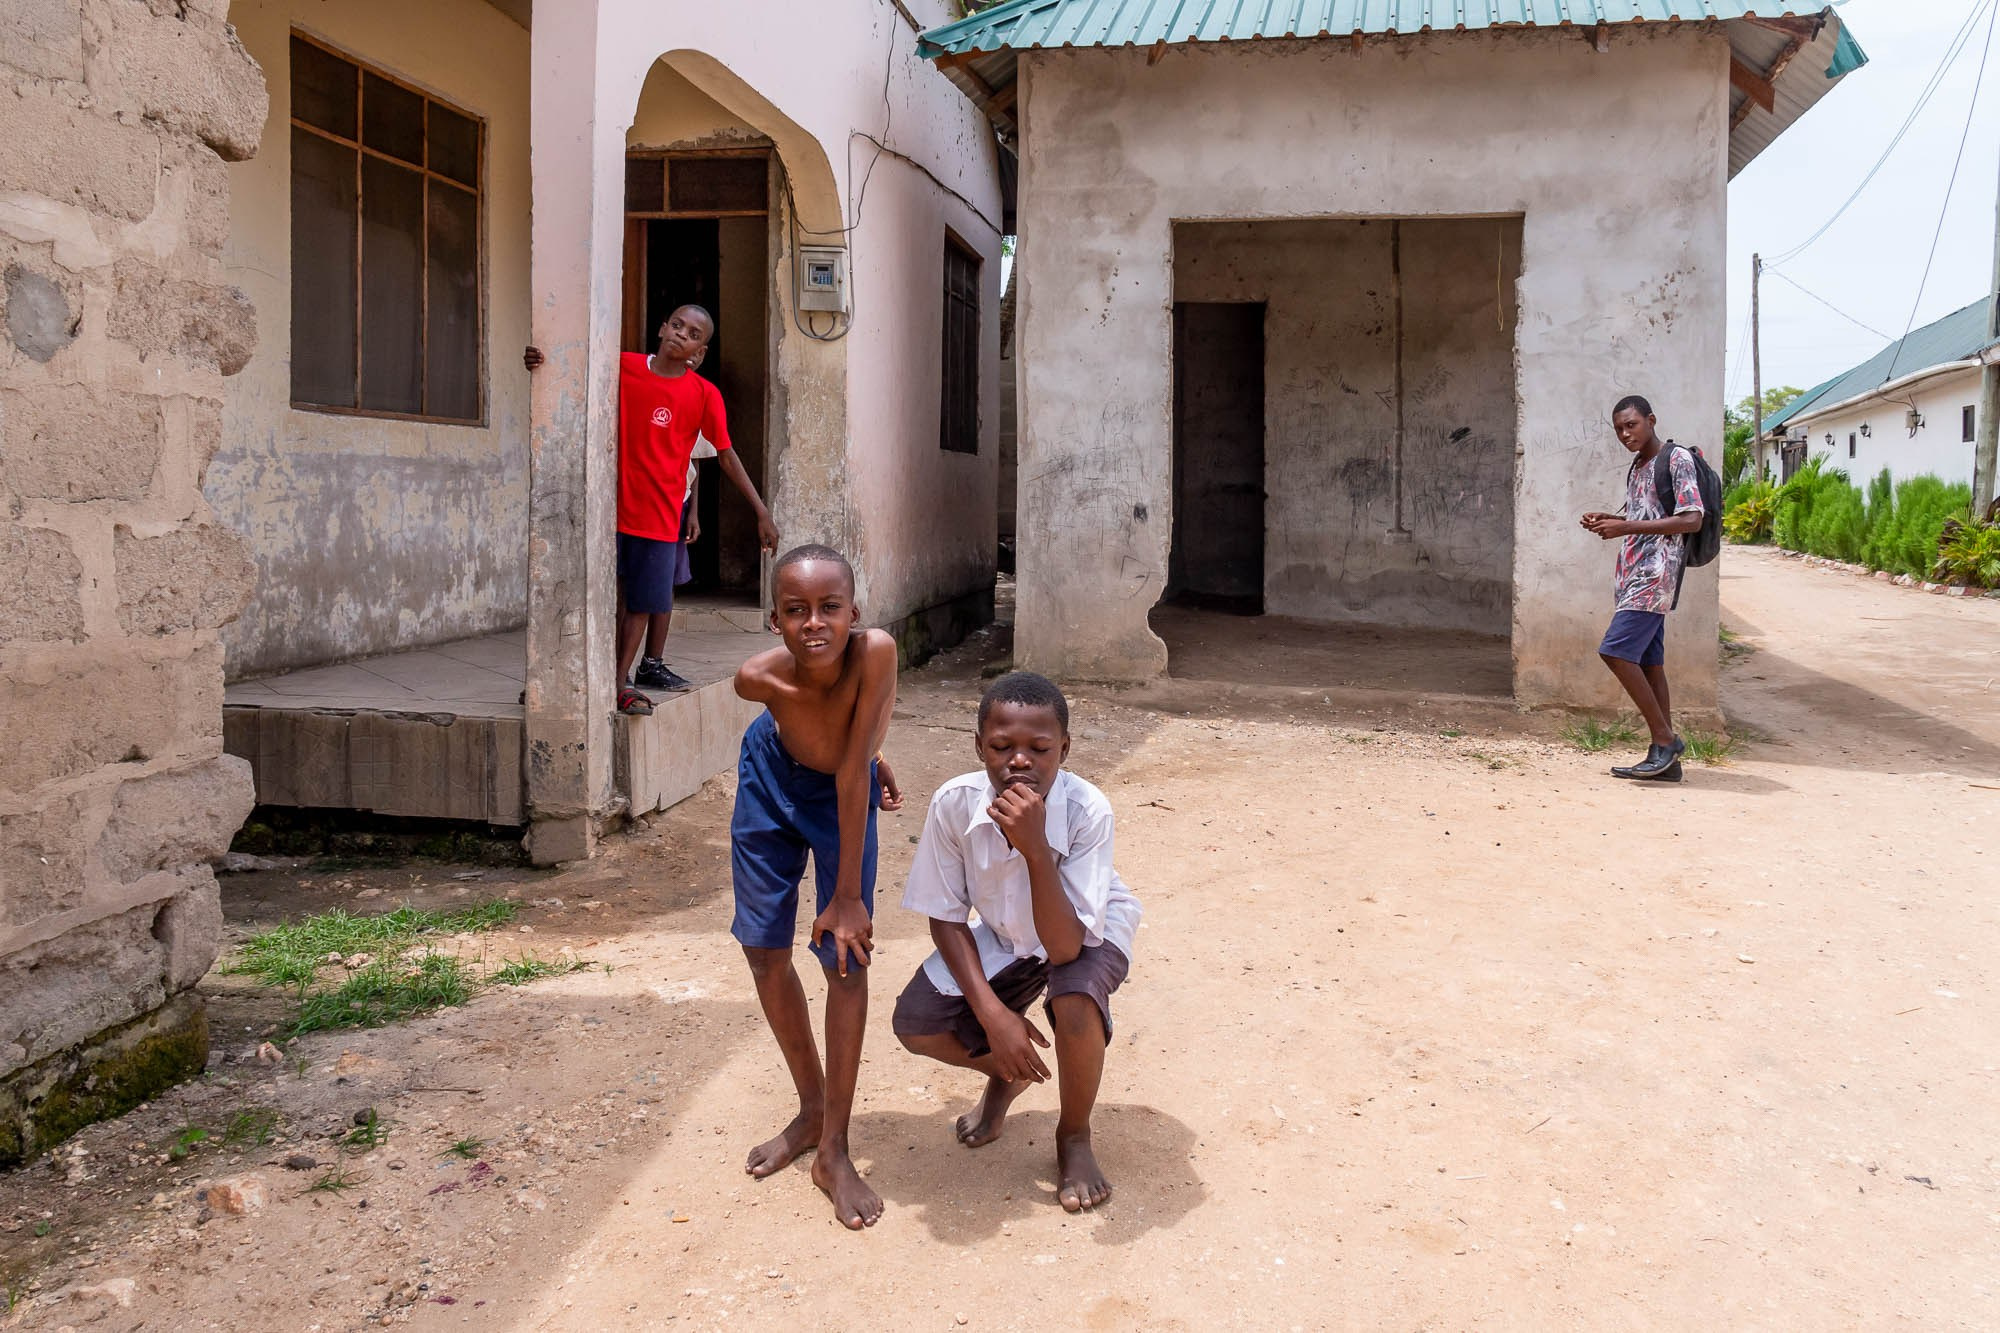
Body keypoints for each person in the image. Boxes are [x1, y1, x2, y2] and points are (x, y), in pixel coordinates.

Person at [892, 671, 1141, 1213]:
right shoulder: (954, 804)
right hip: (1005, 936)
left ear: (1065, 749)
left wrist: (1033, 848)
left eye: (1039, 748)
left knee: (1074, 1002)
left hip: (1082, 931)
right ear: (980, 746)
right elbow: (946, 916)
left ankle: (1073, 1136)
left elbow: (1068, 947)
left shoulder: (1087, 810)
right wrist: (995, 1018)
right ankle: (1007, 1074)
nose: (1020, 761)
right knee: (915, 1023)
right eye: (1002, 746)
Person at [730, 544, 903, 1230]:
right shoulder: (756, 680)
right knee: (763, 947)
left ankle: (835, 1147)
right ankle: (810, 1108)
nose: (814, 623)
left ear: (854, 613)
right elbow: (810, 727)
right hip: (770, 779)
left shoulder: (878, 651)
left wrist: (849, 897)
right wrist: (853, 750)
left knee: (845, 955)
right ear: (774, 620)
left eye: (830, 607)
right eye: (795, 610)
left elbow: (852, 762)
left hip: (844, 788)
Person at [523, 306, 778, 714]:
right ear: (662, 327)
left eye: (692, 333)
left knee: (641, 605)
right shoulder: (621, 366)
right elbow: (572, 366)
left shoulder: (703, 394)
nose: (681, 334)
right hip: (606, 511)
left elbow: (727, 456)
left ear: (701, 349)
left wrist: (761, 511)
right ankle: (563, 676)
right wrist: (541, 361)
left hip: (659, 517)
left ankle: (618, 682)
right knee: (597, 599)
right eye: (676, 325)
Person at [1580, 395, 1706, 782]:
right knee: (1650, 663)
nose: (1625, 434)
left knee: (1615, 651)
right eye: (1619, 428)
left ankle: (1666, 739)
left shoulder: (1677, 459)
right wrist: (1611, 518)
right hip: (1633, 573)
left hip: (1656, 575)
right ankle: (1665, 761)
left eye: (1631, 425)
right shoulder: (1639, 466)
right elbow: (1645, 516)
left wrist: (1626, 528)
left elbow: (1691, 519)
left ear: (1651, 420)